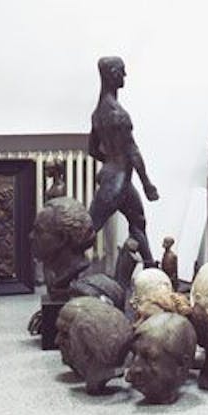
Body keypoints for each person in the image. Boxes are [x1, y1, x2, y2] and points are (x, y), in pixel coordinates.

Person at [88, 57, 159, 265]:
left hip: (116, 178)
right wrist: (147, 184)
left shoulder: (98, 112)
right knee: (88, 231)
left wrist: (110, 162)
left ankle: (150, 267)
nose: (125, 75)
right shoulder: (117, 114)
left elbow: (92, 150)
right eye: (122, 71)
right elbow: (132, 151)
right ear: (112, 74)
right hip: (117, 182)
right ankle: (64, 273)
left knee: (138, 221)